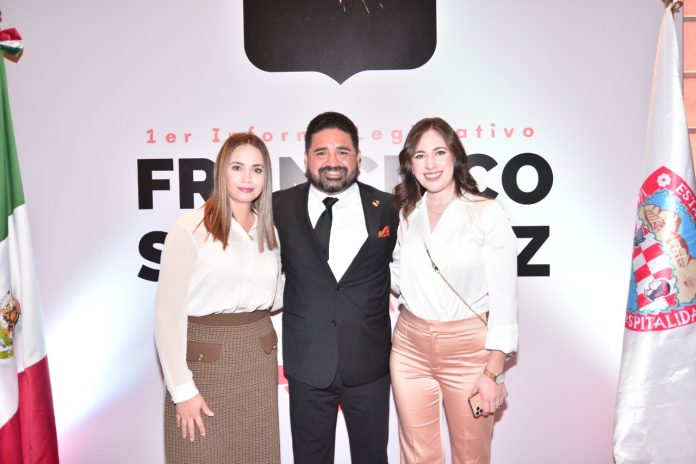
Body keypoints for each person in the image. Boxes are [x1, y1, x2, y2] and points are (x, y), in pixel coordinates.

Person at [273, 111, 399, 464]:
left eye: (342, 152)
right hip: (307, 363)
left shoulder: (389, 208)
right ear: (306, 159)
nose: (332, 162)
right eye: (321, 152)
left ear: (358, 157)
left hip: (369, 364)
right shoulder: (277, 207)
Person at [390, 117, 518, 464]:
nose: (430, 164)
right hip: (409, 347)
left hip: (469, 351)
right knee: (416, 455)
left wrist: (493, 370)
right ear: (410, 164)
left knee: (471, 455)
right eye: (420, 156)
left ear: (455, 156)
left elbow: (505, 298)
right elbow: (398, 277)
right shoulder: (407, 213)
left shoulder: (486, 212)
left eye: (439, 152)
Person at [154, 133, 283, 464]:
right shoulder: (190, 228)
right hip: (204, 366)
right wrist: (182, 390)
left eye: (257, 169)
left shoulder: (269, 230)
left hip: (257, 362)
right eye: (237, 167)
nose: (247, 178)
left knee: (256, 456)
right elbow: (167, 317)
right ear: (222, 170)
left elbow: (275, 297)